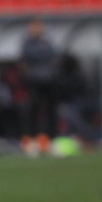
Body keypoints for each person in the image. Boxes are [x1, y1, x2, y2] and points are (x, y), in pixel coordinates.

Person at [20, 19, 58, 154]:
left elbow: (52, 53)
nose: (38, 29)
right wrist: (41, 51)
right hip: (34, 81)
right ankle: (31, 141)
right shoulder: (27, 43)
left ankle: (50, 141)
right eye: (35, 26)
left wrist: (41, 52)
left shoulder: (47, 40)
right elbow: (31, 55)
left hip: (49, 81)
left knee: (51, 112)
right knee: (33, 111)